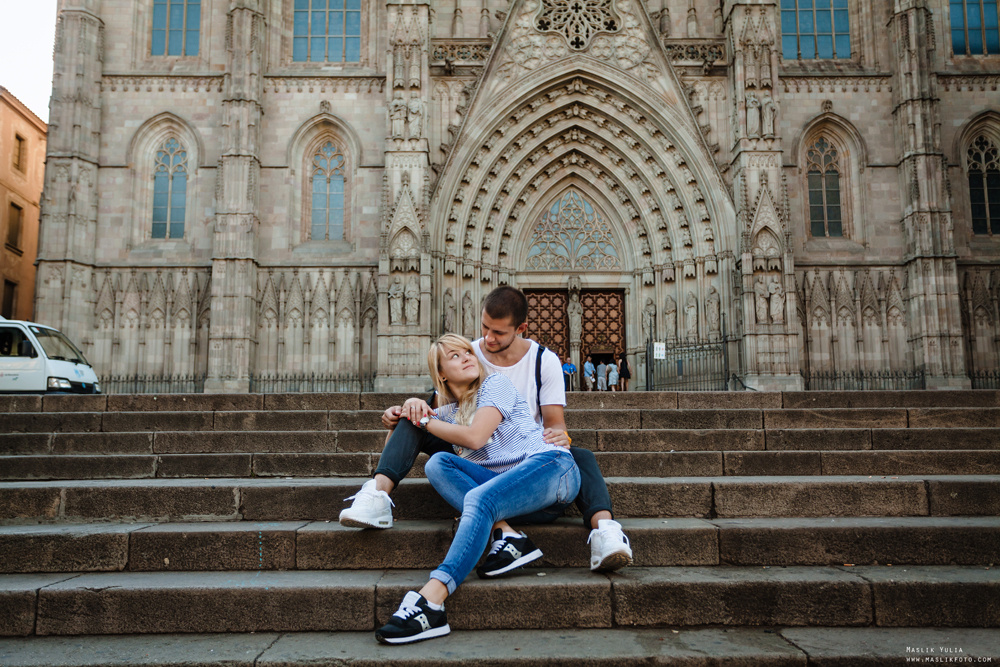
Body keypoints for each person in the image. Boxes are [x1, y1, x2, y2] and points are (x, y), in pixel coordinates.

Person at [340, 286, 633, 574]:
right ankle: (377, 495)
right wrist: (409, 407)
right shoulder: (471, 355)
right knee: (430, 446)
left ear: (521, 328)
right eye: (484, 329)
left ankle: (606, 531)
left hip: (525, 451)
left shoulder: (542, 362)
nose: (487, 340)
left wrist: (562, 439)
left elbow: (554, 424)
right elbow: (438, 404)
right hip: (482, 455)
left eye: (499, 333)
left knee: (578, 456)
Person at [375, 334, 580, 644]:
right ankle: (508, 535)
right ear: (441, 373)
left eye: (468, 352)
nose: (468, 357)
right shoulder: (447, 413)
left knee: (479, 498)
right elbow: (400, 445)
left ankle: (432, 599)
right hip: (509, 493)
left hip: (551, 470)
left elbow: (475, 438)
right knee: (437, 464)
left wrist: (422, 420)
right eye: (455, 356)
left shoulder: (495, 385)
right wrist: (407, 412)